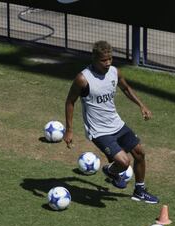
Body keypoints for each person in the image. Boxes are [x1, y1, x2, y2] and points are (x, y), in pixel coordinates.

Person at [64, 40, 159, 204]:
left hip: (117, 124)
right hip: (99, 131)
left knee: (140, 153)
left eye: (110, 59)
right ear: (94, 58)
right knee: (124, 162)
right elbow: (70, 102)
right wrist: (69, 130)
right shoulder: (83, 79)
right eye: (103, 60)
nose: (108, 63)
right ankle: (112, 170)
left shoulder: (114, 72)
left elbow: (126, 89)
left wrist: (141, 106)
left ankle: (140, 191)